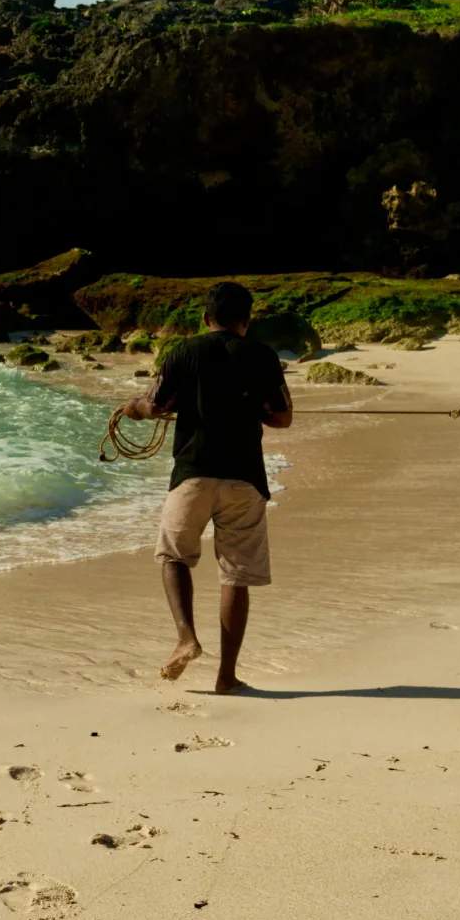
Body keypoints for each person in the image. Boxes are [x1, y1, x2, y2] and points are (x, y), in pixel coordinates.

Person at [121, 280, 293, 693]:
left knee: (174, 557)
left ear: (204, 317)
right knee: (236, 575)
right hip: (245, 478)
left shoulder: (182, 351)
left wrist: (133, 409)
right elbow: (282, 417)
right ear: (246, 321)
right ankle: (226, 677)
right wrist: (250, 409)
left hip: (193, 475)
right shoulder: (263, 355)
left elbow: (157, 404)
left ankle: (186, 637)